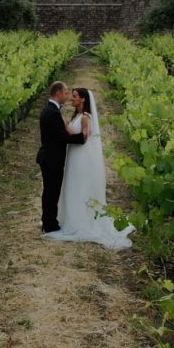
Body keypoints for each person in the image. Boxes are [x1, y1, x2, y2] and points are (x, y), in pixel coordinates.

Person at [43, 87, 135, 250]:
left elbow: (84, 138)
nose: (72, 99)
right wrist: (64, 127)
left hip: (81, 156)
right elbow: (70, 133)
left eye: (75, 97)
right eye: (71, 96)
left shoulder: (86, 117)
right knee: (72, 186)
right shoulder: (77, 115)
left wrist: (65, 129)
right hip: (73, 155)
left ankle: (80, 220)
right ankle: (70, 217)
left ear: (83, 99)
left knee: (80, 186)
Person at [37, 81, 86, 233]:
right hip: (52, 159)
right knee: (52, 192)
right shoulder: (52, 113)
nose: (67, 96)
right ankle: (50, 224)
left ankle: (48, 221)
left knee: (49, 191)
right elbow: (62, 137)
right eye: (65, 93)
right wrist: (82, 138)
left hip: (49, 158)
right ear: (58, 93)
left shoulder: (50, 110)